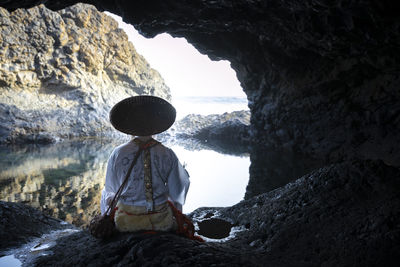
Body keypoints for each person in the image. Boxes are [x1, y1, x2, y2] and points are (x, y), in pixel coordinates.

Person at [100, 95, 190, 233]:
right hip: (161, 221)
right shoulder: (167, 153)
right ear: (155, 125)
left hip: (126, 222)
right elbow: (177, 190)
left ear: (130, 125)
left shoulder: (118, 153)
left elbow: (110, 191)